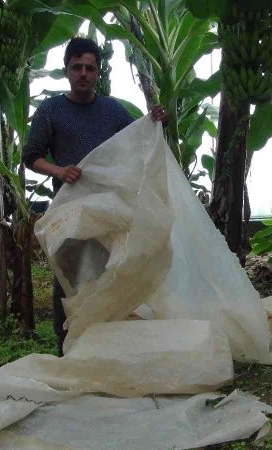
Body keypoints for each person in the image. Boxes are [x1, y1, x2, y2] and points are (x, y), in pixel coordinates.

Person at [22, 37, 167, 356]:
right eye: (77, 67)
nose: (84, 74)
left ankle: (103, 347)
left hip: (108, 213)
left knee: (106, 279)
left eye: (90, 68)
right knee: (69, 281)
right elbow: (31, 156)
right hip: (69, 213)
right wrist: (59, 171)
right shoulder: (51, 110)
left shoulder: (112, 110)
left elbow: (136, 141)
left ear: (98, 72)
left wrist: (153, 122)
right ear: (67, 71)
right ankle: (67, 350)